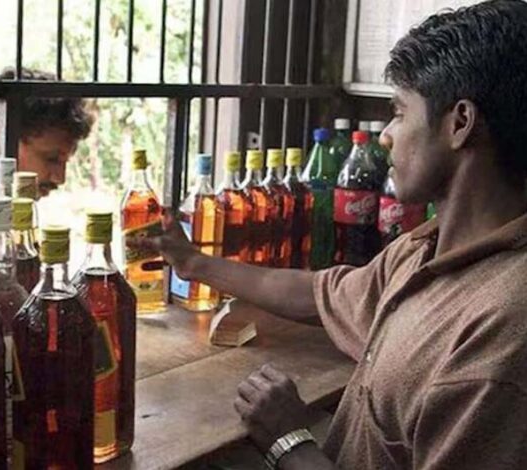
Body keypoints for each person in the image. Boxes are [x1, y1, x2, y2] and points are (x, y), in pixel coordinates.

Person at [132, 1, 527, 468]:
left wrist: (288, 441)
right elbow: (319, 293)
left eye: (400, 113)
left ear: (459, 123)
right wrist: (193, 263)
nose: (386, 135)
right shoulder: (425, 249)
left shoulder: (502, 334)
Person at [0, 68, 95, 217]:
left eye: (65, 162)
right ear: (2, 138)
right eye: (52, 159)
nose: (60, 178)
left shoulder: (30, 205)